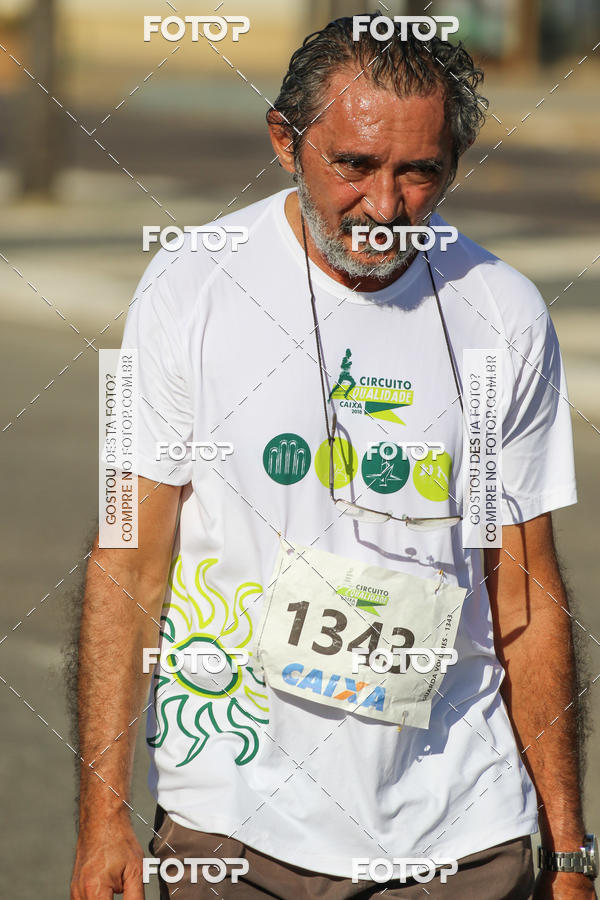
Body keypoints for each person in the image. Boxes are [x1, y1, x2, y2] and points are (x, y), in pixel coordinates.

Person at [70, 15, 597, 900]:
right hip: (234, 821)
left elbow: (526, 598)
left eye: (418, 172)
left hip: (458, 832)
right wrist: (102, 821)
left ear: (454, 165)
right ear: (285, 139)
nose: (385, 207)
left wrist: (572, 853)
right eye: (352, 165)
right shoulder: (187, 286)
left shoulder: (502, 313)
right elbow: (127, 560)